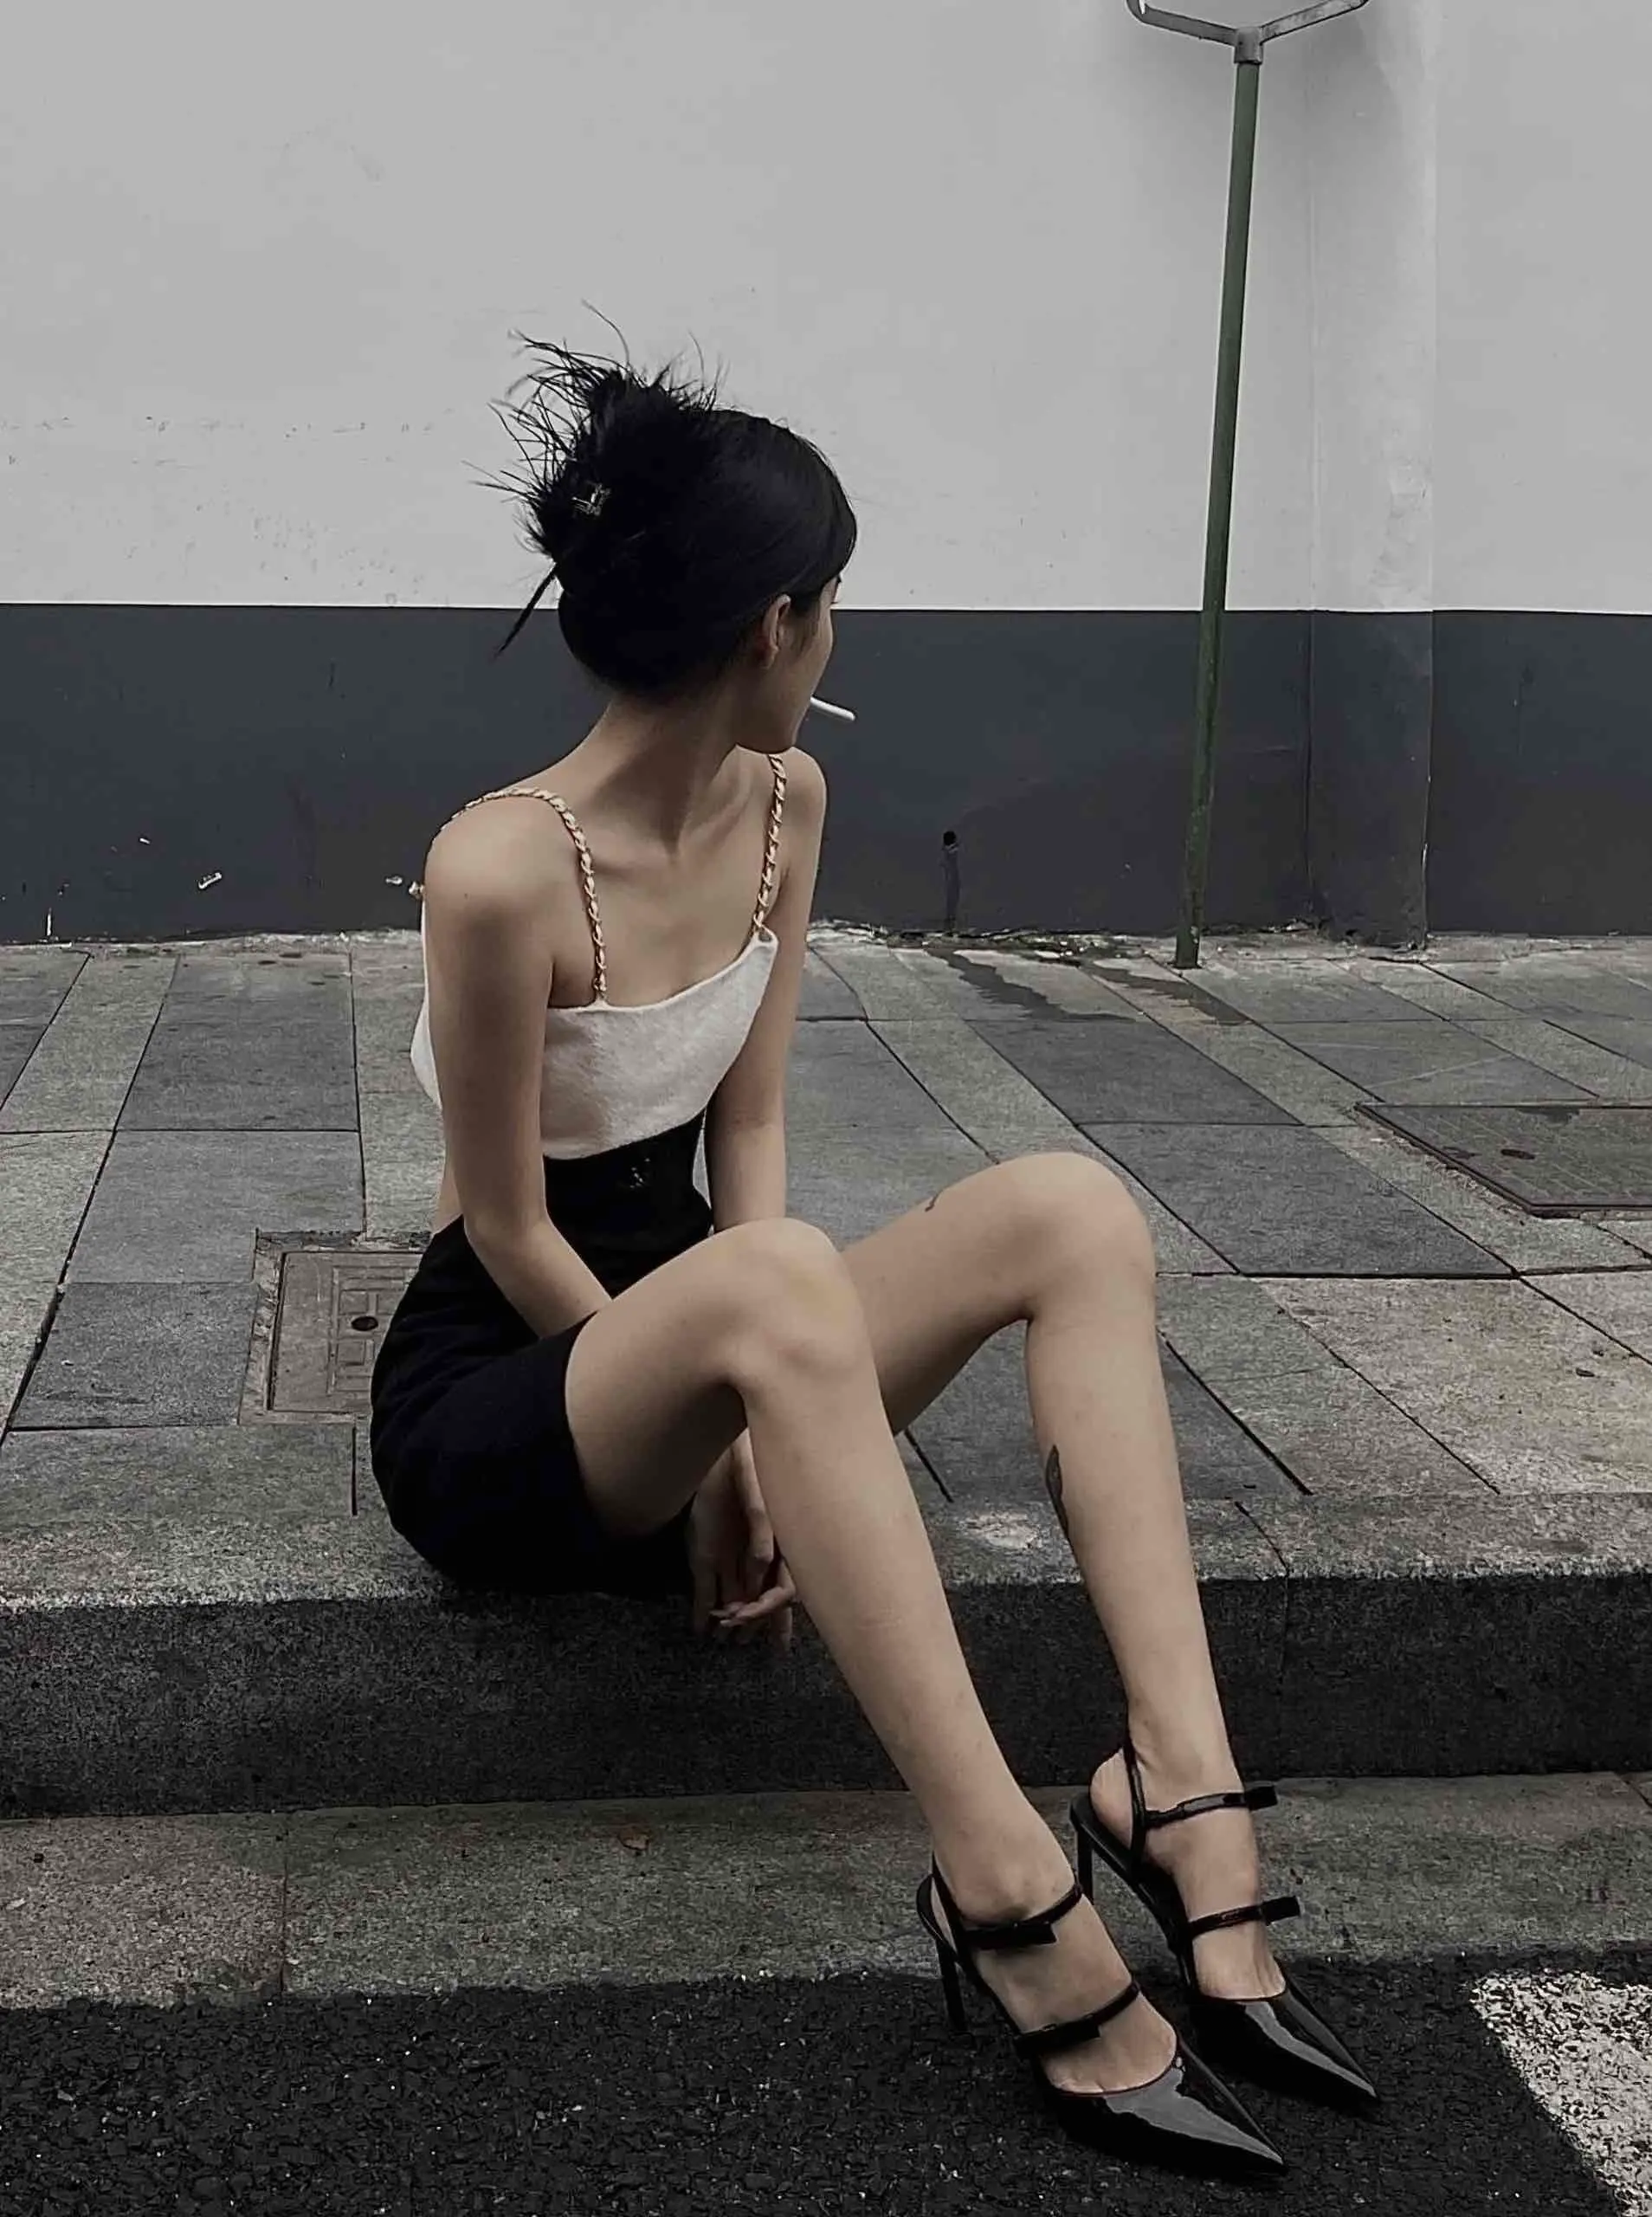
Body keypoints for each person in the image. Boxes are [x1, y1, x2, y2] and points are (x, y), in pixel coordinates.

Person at [369, 338, 1376, 2182]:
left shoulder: (788, 804)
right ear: (774, 625)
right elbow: (504, 1221)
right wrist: (715, 1445)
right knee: (772, 1288)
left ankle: (1180, 1793)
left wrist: (758, 1419)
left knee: (1067, 1207)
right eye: (831, 606)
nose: (839, 639)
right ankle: (1005, 1889)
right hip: (516, 1388)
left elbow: (748, 1134)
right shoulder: (499, 865)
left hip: (735, 1332)